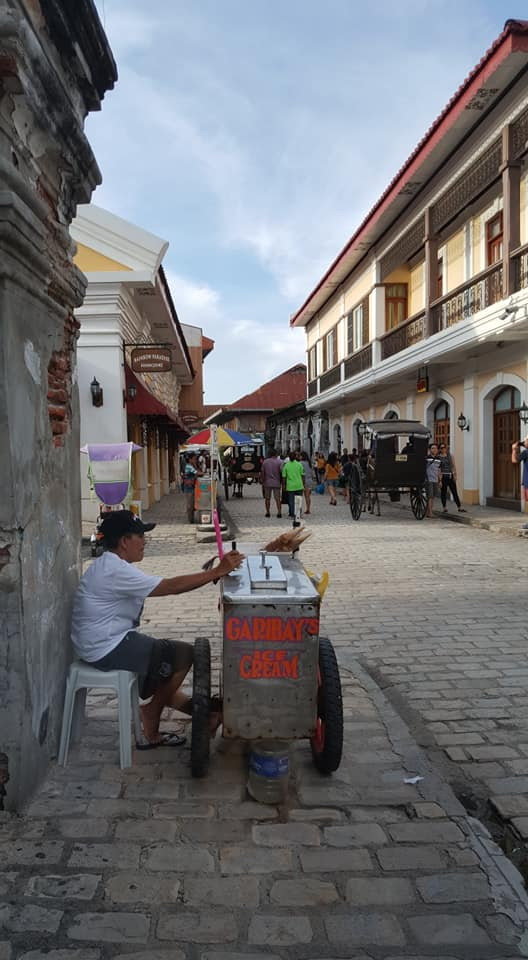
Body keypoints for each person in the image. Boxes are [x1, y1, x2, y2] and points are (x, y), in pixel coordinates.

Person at [71, 510, 244, 748]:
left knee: (163, 674)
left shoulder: (109, 565)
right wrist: (215, 572)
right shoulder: (114, 570)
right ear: (124, 541)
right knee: (184, 654)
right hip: (105, 646)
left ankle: (206, 715)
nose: (145, 542)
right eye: (140, 536)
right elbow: (170, 586)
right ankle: (151, 714)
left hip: (101, 641)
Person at [439, 442, 466, 514]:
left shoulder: (450, 456)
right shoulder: (438, 457)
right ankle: (444, 507)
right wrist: (440, 480)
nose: (443, 449)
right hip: (443, 476)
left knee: (454, 492)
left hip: (450, 476)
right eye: (441, 448)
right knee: (443, 493)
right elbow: (439, 468)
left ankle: (459, 507)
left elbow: (453, 466)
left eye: (444, 447)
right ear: (440, 449)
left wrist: (455, 475)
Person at [281, 450, 305, 519]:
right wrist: (303, 484)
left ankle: (292, 515)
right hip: (299, 485)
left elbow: (284, 478)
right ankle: (298, 514)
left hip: (290, 486)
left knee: (291, 501)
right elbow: (303, 475)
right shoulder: (299, 464)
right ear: (295, 457)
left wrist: (284, 486)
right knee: (299, 500)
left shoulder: (286, 466)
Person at [260, 448, 283, 518]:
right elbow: (282, 472)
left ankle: (268, 512)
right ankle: (279, 512)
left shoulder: (265, 462)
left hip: (267, 483)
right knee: (277, 498)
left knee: (267, 498)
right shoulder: (280, 462)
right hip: (277, 482)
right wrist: (282, 482)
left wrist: (262, 481)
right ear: (276, 454)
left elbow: (263, 473)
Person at [183, 452, 202, 523]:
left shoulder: (193, 465)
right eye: (194, 459)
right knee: (190, 504)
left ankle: (192, 518)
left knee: (193, 503)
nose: (195, 460)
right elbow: (197, 473)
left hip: (193, 486)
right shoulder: (188, 466)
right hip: (189, 487)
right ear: (190, 459)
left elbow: (198, 471)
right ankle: (190, 519)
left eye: (196, 459)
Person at [512, 437, 528, 519]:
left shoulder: (526, 453)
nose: (524, 443)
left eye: (525, 441)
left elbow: (514, 460)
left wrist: (514, 449)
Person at [425, 442, 442, 518]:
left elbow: (439, 470)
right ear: (429, 450)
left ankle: (429, 511)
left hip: (435, 479)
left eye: (435, 448)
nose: (434, 450)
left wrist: (440, 480)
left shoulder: (439, 459)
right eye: (432, 448)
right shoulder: (427, 458)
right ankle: (430, 512)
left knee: (433, 496)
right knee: (430, 496)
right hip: (428, 479)